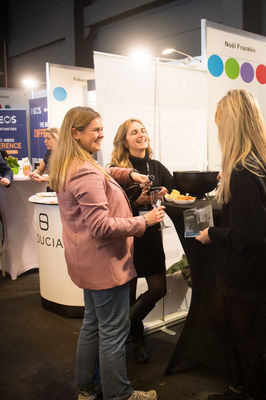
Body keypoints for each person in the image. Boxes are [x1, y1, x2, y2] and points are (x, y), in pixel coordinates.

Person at [49, 106, 164, 400]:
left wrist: (130, 174)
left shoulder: (71, 164)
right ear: (76, 133)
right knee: (113, 332)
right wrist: (144, 222)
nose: (101, 134)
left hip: (87, 263)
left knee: (92, 325)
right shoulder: (84, 170)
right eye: (95, 130)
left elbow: (106, 173)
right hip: (105, 264)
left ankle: (87, 388)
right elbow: (101, 227)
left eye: (102, 129)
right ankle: (120, 394)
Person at [195, 89, 266, 400]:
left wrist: (213, 234)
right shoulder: (264, 159)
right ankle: (238, 386)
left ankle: (251, 393)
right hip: (257, 266)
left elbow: (249, 237)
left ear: (231, 125)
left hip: (245, 268)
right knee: (222, 320)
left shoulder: (244, 169)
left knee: (245, 337)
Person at [110, 118, 174, 364]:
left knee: (158, 289)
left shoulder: (155, 165)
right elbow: (112, 205)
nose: (141, 135)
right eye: (134, 132)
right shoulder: (116, 169)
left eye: (143, 131)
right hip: (127, 237)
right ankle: (137, 339)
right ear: (124, 141)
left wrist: (164, 192)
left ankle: (125, 327)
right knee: (128, 293)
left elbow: (172, 184)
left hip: (152, 235)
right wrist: (137, 202)